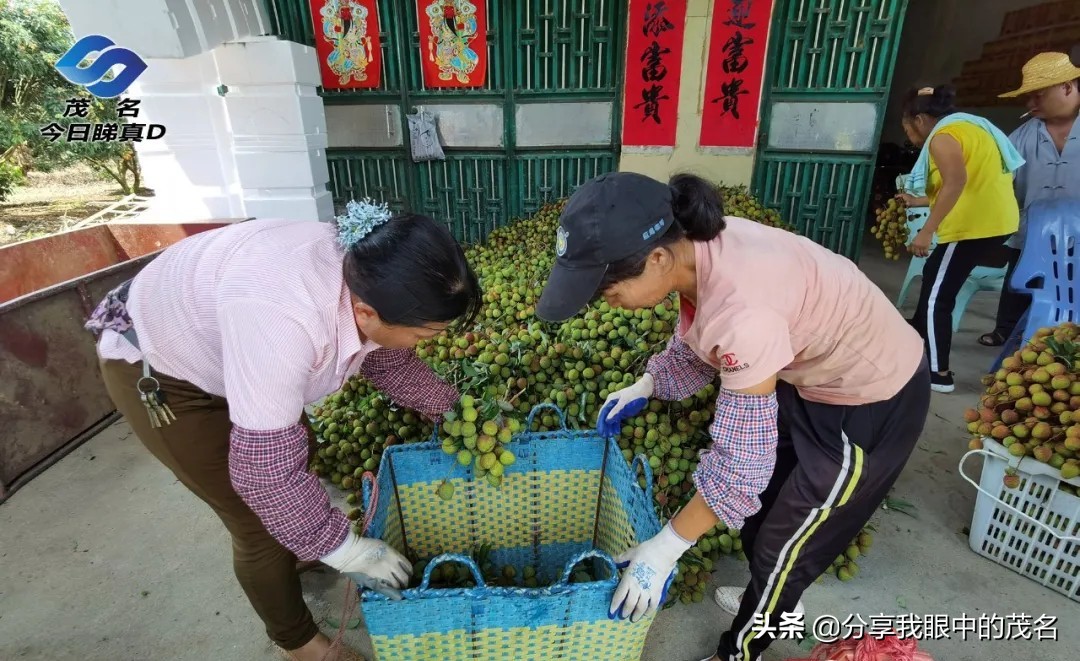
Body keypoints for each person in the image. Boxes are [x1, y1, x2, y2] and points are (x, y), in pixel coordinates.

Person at [535, 172, 931, 661]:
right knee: (763, 520)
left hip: (870, 399)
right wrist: (650, 382)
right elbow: (704, 332)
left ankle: (739, 652)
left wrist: (666, 547)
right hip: (806, 376)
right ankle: (777, 597)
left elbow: (742, 465)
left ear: (657, 259)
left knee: (782, 550)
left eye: (606, 288)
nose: (603, 300)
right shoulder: (698, 249)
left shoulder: (747, 315)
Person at [84, 201, 481, 661]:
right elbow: (263, 476)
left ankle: (302, 546)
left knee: (297, 457)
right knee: (258, 523)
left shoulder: (371, 269)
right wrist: (345, 549)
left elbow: (387, 354)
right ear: (367, 313)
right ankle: (301, 644)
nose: (429, 344)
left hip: (227, 333)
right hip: (164, 366)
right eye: (425, 335)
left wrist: (449, 410)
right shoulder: (282, 318)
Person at [896, 84, 1022, 392]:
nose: (910, 136)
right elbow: (973, 183)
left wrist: (926, 232)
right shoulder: (973, 128)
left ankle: (938, 374)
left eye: (907, 128)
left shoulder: (942, 137)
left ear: (920, 119)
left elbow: (955, 183)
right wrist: (918, 202)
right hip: (998, 221)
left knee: (940, 295)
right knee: (934, 276)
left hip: (972, 228)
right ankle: (917, 339)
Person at [978, 52, 1080, 347]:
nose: (1030, 104)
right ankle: (1006, 331)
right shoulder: (1021, 137)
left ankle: (1063, 341)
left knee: (1070, 290)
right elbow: (998, 180)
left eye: (1038, 96)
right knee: (1021, 283)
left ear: (1067, 87)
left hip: (1077, 236)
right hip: (1030, 231)